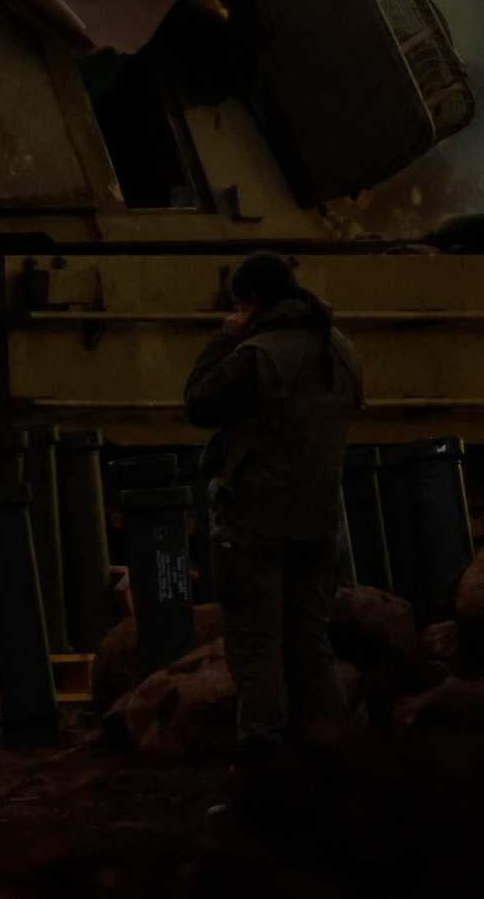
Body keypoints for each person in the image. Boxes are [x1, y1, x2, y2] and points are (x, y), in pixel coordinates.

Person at [180, 248, 364, 762]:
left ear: (252, 301)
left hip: (254, 524)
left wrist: (227, 335)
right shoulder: (342, 350)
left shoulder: (256, 355)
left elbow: (197, 403)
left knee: (257, 649)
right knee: (311, 645)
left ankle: (265, 771)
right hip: (319, 521)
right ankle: (335, 763)